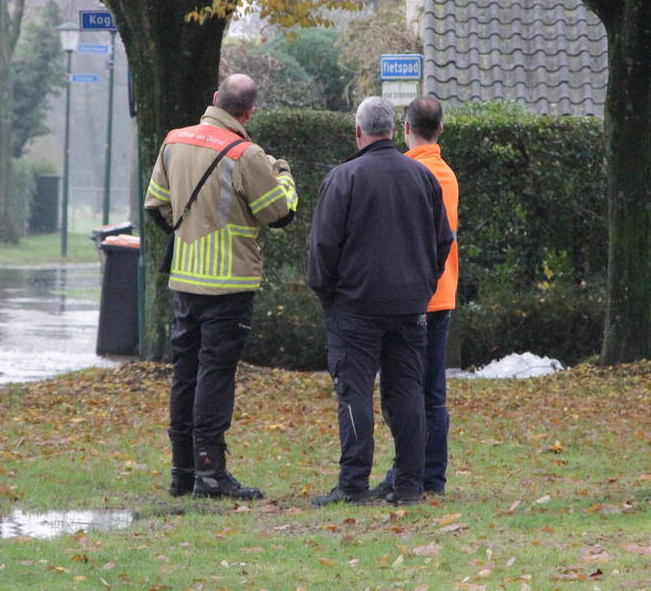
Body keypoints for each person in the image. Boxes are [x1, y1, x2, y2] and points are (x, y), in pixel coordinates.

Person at [145, 74, 298, 500]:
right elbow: (279, 214)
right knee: (215, 375)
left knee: (185, 374)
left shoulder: (173, 141)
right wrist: (283, 174)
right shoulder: (247, 154)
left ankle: (182, 471)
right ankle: (211, 474)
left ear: (215, 100)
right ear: (248, 112)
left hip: (186, 280)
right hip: (230, 285)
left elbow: (156, 205)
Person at [308, 96, 454, 506]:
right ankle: (409, 484)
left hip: (355, 306)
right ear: (393, 129)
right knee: (406, 392)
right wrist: (424, 285)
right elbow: (443, 240)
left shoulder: (344, 178)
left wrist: (328, 294)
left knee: (354, 391)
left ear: (358, 132)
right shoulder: (422, 177)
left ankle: (353, 484)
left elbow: (323, 246)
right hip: (410, 305)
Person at [370, 96, 459, 499]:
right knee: (432, 392)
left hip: (413, 297)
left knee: (405, 391)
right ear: (439, 129)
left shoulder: (408, 173)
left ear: (406, 128)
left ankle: (404, 472)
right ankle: (433, 475)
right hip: (444, 294)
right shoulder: (448, 175)